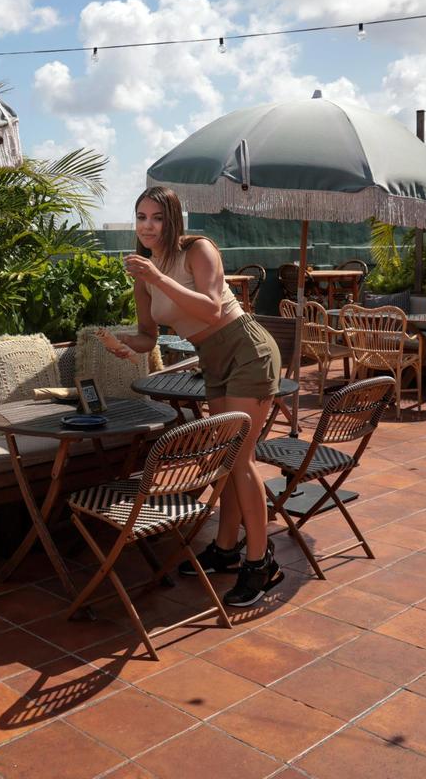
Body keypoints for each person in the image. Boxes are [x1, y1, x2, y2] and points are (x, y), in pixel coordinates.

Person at [110, 185, 283, 607]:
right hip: (213, 360)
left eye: (157, 217)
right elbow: (148, 335)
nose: (147, 226)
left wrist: (158, 277)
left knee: (240, 460)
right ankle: (226, 549)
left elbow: (211, 309)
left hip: (247, 350)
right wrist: (120, 343)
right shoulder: (145, 272)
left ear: (173, 220)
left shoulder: (197, 250)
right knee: (227, 459)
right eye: (141, 217)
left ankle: (261, 564)